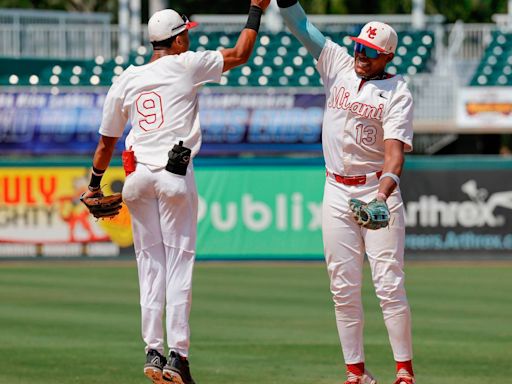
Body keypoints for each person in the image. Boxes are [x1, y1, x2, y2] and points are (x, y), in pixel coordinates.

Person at [81, 1, 270, 383]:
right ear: (179, 38)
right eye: (188, 33)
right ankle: (177, 356)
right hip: (173, 175)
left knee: (150, 265)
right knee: (179, 263)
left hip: (136, 181)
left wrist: (93, 185)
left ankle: (152, 350)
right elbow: (241, 53)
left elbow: (105, 143)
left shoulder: (127, 78)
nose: (190, 37)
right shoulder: (188, 64)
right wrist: (255, 9)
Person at [275, 1, 415, 384]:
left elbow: (394, 156)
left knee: (388, 283)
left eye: (369, 51)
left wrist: (383, 195)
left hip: (375, 188)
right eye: (358, 46)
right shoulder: (338, 63)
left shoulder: (398, 92)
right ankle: (356, 373)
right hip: (336, 189)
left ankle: (404, 372)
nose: (360, 54)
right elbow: (300, 24)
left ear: (385, 56)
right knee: (342, 286)